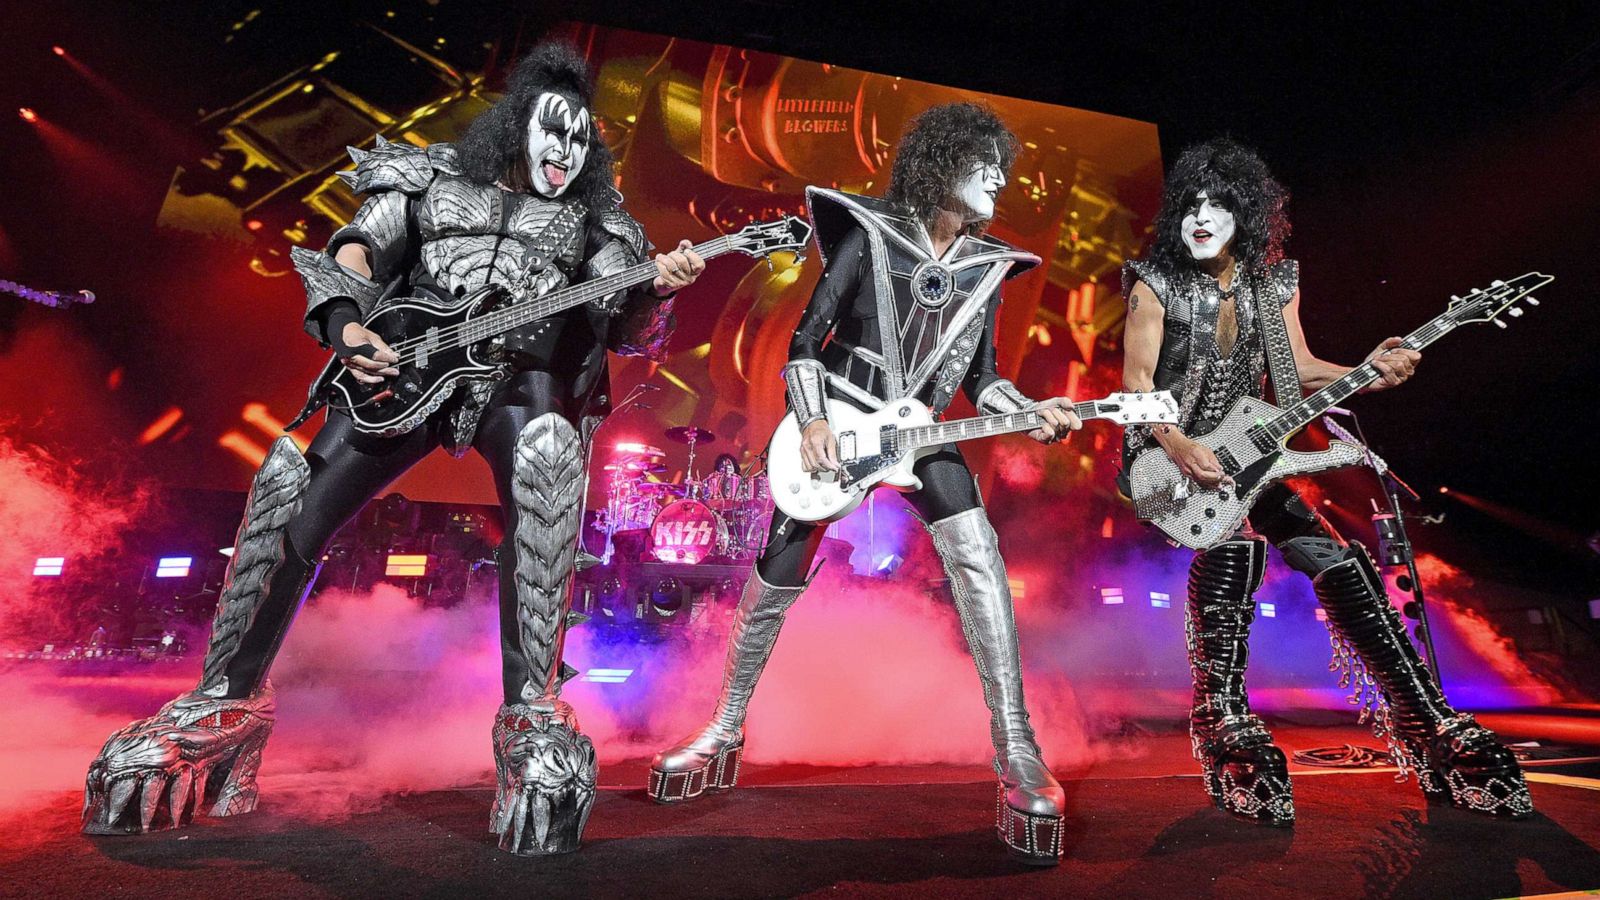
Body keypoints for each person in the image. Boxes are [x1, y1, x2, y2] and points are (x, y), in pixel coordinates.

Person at [82, 43, 706, 855]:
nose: (567, 153)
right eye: (555, 133)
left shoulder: (601, 219)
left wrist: (656, 291)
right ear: (517, 127)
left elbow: (623, 320)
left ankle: (532, 714)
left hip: (519, 382)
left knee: (548, 460)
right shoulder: (430, 175)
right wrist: (348, 329)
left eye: (583, 141)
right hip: (402, 370)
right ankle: (225, 702)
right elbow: (357, 253)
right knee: (290, 492)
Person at [648, 103, 1081, 865]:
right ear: (944, 167)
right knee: (777, 567)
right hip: (840, 425)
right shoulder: (869, 233)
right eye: (986, 168)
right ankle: (723, 726)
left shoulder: (988, 270)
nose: (1001, 181)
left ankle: (1017, 749)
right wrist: (812, 420)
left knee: (979, 553)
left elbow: (983, 381)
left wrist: (1030, 411)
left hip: (920, 434)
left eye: (1002, 171)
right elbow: (807, 339)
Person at [1120, 137, 1531, 825]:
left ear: (1244, 216)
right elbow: (1135, 384)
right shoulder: (1155, 285)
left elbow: (1301, 371)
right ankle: (1220, 716)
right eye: (1190, 206)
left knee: (1341, 563)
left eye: (1216, 207)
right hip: (1166, 457)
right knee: (1233, 547)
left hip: (1251, 454)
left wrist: (1367, 366)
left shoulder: (1272, 283)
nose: (1200, 218)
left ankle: (1423, 720)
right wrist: (1179, 441)